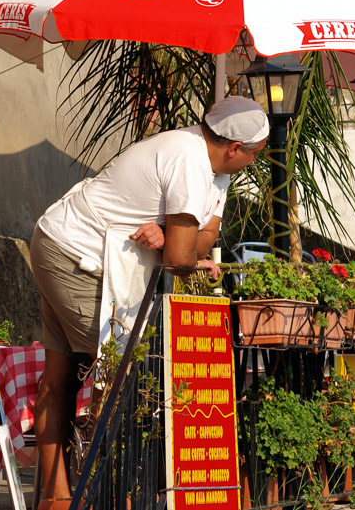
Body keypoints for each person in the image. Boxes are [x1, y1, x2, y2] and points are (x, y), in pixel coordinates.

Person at [29, 96, 269, 510]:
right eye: (254, 156)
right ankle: (97, 496)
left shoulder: (213, 171)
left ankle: (60, 499)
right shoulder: (189, 162)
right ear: (234, 148)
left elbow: (203, 239)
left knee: (62, 377)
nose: (252, 163)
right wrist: (177, 240)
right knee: (123, 375)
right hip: (75, 252)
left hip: (65, 244)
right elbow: (180, 258)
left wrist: (170, 231)